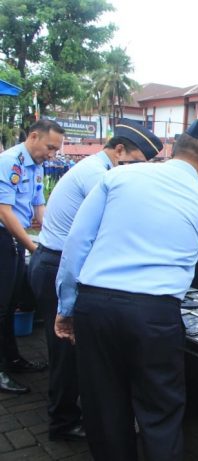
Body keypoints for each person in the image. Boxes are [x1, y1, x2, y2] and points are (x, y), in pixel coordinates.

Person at [54, 110, 198, 461]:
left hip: (96, 307)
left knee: (104, 411)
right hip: (154, 317)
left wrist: (66, 306)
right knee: (160, 415)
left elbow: (77, 244)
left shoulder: (119, 178)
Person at [28, 120, 162, 440]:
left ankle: (69, 413)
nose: (139, 171)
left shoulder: (101, 168)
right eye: (138, 163)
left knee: (69, 350)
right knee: (65, 350)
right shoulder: (98, 176)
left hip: (55, 261)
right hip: (56, 264)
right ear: (119, 151)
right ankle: (62, 422)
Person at [0, 120, 64, 394]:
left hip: (15, 239)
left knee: (11, 303)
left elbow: (39, 207)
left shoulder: (36, 166)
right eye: (50, 147)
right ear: (34, 136)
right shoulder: (9, 161)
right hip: (4, 237)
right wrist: (34, 248)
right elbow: (4, 211)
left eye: (56, 150)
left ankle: (12, 359)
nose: (51, 154)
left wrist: (50, 238)